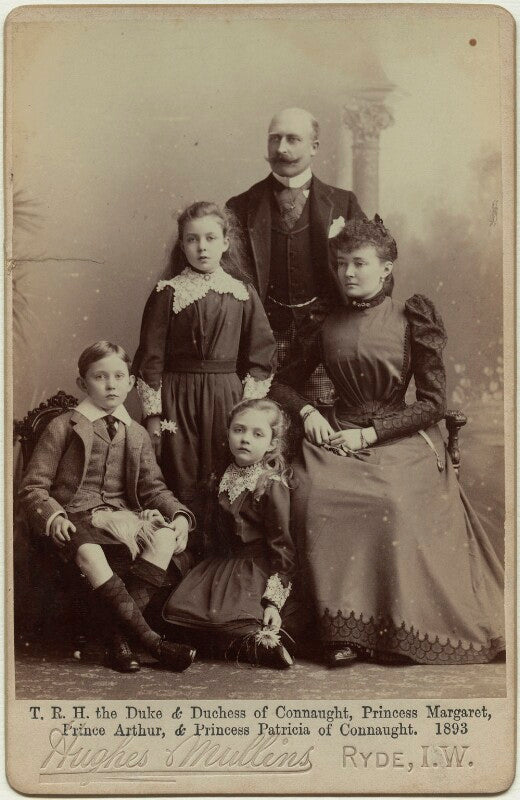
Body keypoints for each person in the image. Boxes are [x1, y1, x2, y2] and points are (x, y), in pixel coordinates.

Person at [271, 217, 505, 667]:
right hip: (338, 436)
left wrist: (374, 431)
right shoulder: (324, 322)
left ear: (386, 268)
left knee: (391, 500)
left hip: (401, 436)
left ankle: (391, 628)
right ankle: (340, 630)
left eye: (359, 264)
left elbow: (434, 403)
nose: (348, 274)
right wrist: (308, 412)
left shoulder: (411, 317)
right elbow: (282, 384)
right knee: (313, 495)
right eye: (341, 265)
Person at [19, 341, 196, 674]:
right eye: (100, 377)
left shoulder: (138, 433)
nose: (111, 384)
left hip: (119, 519)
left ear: (131, 382)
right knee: (90, 551)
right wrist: (53, 515)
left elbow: (154, 488)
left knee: (164, 538)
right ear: (83, 384)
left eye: (119, 376)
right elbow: (33, 488)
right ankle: (153, 643)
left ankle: (118, 639)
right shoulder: (62, 427)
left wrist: (180, 516)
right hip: (73, 518)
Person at [132, 201, 277, 556]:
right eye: (192, 239)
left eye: (211, 238)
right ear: (182, 245)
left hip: (227, 399)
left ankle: (218, 557)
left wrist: (248, 408)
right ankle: (177, 557)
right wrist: (152, 414)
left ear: (226, 242)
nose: (202, 247)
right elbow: (150, 356)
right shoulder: (167, 292)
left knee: (220, 469)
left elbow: (262, 355)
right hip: (177, 400)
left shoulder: (242, 293)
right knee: (179, 470)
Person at [226, 106, 366, 404]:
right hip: (261, 337)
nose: (281, 148)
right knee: (263, 423)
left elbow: (372, 269)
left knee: (321, 426)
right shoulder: (240, 206)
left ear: (314, 147)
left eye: (292, 139)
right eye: (274, 139)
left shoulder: (344, 204)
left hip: (325, 336)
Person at [162, 399, 298, 669]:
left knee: (225, 620)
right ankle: (235, 645)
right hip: (218, 565)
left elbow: (283, 547)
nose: (245, 439)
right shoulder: (219, 476)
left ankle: (260, 646)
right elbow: (203, 523)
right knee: (178, 613)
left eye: (257, 434)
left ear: (272, 443)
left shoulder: (270, 485)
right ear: (228, 433)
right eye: (239, 430)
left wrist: (272, 602)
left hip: (253, 568)